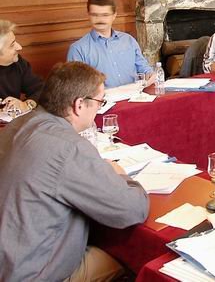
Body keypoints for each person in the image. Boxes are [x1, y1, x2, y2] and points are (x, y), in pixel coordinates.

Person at [0, 62, 149, 280]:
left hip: (9, 260)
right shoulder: (70, 147)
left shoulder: (16, 125)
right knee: (132, 260)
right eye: (100, 102)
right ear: (79, 105)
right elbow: (133, 210)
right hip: (32, 272)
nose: (100, 108)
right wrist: (121, 174)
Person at [67, 0, 154, 88]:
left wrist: (150, 74)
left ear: (114, 15)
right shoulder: (77, 49)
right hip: (103, 101)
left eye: (105, 15)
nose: (100, 19)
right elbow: (76, 86)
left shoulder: (129, 40)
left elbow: (144, 69)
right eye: (95, 15)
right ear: (88, 15)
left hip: (135, 96)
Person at [0, 20, 43, 113]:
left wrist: (26, 105)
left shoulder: (18, 63)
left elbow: (41, 90)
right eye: (12, 45)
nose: (19, 47)